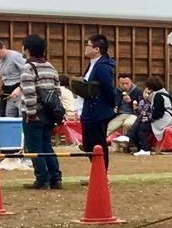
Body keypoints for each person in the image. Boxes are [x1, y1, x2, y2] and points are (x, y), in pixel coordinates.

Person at [16, 33, 64, 191]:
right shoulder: (51, 67)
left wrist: (30, 113)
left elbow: (29, 93)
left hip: (34, 114)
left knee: (35, 147)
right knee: (47, 146)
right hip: (50, 114)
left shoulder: (28, 68)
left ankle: (42, 179)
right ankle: (55, 178)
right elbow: (57, 93)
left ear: (27, 49)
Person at [72, 32, 121, 167]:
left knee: (98, 143)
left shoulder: (102, 66)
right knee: (88, 144)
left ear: (96, 49)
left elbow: (108, 88)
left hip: (99, 110)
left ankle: (102, 175)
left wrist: (113, 104)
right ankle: (97, 172)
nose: (85, 48)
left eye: (87, 45)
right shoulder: (92, 64)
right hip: (89, 109)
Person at [0, 37, 27, 116]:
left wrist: (20, 88)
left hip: (19, 89)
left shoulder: (15, 56)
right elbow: (0, 78)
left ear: (3, 48)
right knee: (6, 116)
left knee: (22, 116)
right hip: (7, 91)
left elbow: (28, 72)